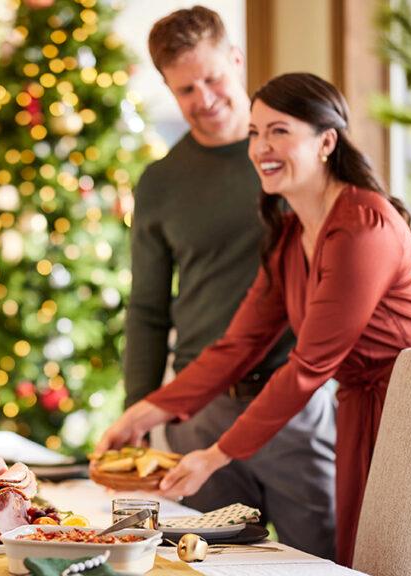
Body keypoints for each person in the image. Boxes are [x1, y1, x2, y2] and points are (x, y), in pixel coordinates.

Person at [98, 72, 411, 572]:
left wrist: (214, 455)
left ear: (327, 142)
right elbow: (236, 346)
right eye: (255, 133)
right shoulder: (288, 237)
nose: (261, 147)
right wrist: (144, 412)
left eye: (279, 131)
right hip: (366, 414)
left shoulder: (362, 224)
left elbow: (309, 366)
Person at [123, 7, 337, 559]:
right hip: (201, 413)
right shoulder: (161, 183)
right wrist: (141, 411)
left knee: (329, 556)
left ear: (237, 60)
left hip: (294, 401)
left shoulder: (293, 157)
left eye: (213, 77)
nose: (205, 98)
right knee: (208, 561)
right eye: (185, 88)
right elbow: (148, 308)